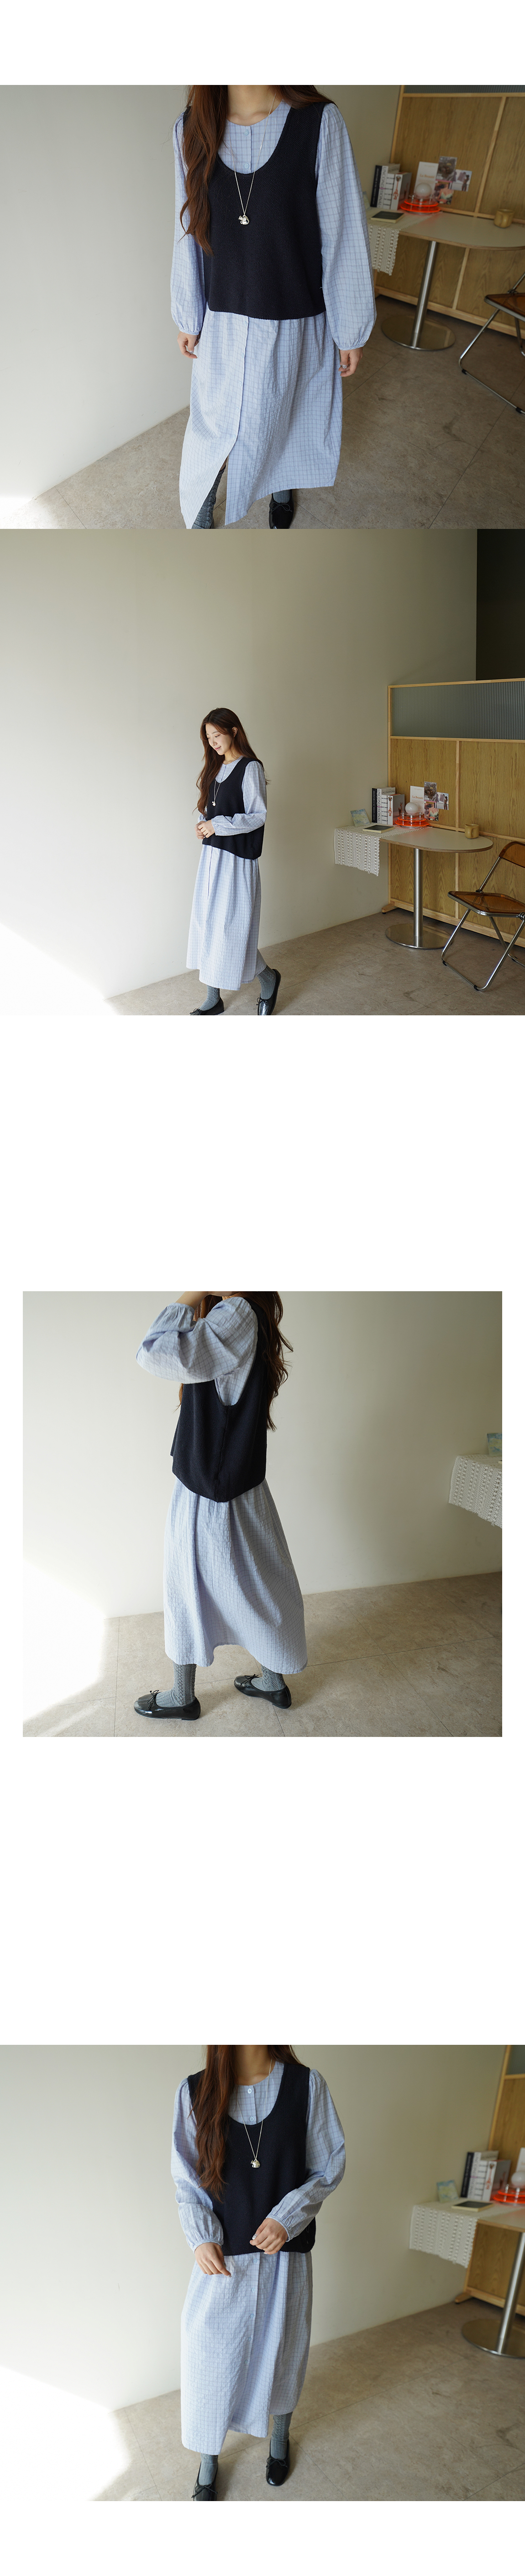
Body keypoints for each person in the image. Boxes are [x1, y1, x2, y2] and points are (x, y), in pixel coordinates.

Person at [171, 84, 375, 529]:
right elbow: (187, 225)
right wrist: (188, 313)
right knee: (215, 422)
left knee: (286, 410)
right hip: (223, 313)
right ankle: (203, 501)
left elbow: (341, 230)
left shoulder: (319, 122)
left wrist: (350, 326)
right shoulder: (191, 128)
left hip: (294, 311)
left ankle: (282, 485)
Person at [172, 2043, 346, 2497]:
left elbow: (328, 2165)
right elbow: (187, 2178)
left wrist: (287, 2218)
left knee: (285, 2352)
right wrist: (201, 2236)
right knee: (210, 2360)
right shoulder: (194, 2092)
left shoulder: (307, 2085)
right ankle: (209, 2458)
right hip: (224, 2258)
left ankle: (280, 2437)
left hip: (284, 2255)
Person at [134, 1295, 307, 1718]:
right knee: (257, 1583)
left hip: (208, 1493)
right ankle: (272, 1681)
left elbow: (155, 1352)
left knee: (187, 1586)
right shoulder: (245, 1314)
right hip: (238, 1486)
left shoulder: (237, 1313)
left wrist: (189, 1294)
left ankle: (182, 1697)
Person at [188, 708, 280, 1016]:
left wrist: (217, 825)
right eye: (208, 737)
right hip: (212, 857)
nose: (213, 742)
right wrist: (203, 825)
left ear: (234, 731)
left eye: (217, 735)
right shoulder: (215, 767)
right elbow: (211, 810)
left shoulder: (250, 767)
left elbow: (257, 816)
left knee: (230, 930)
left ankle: (269, 979)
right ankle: (213, 997)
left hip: (237, 860)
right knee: (208, 924)